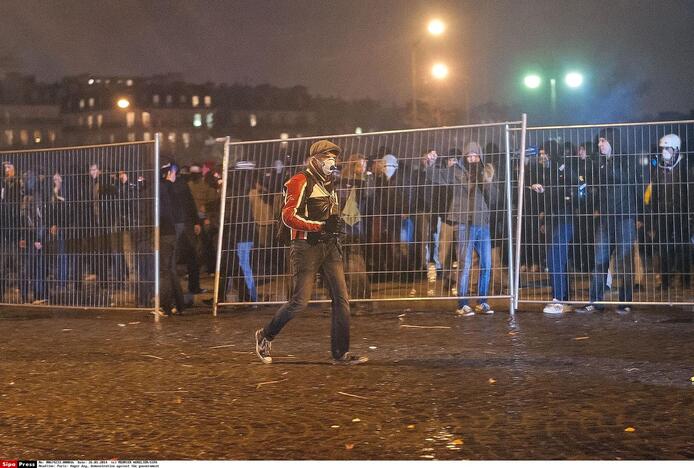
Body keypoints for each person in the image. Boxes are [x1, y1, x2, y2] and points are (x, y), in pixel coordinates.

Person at [254, 140, 368, 365]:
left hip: (329, 247)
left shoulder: (330, 183)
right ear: (314, 159)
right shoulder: (299, 181)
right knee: (299, 302)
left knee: (341, 299)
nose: (332, 161)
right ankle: (265, 335)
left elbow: (330, 215)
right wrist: (320, 226)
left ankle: (340, 354)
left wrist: (335, 227)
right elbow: (288, 217)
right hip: (305, 247)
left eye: (334, 157)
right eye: (328, 157)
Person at [575, 128, 644, 314]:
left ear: (612, 141)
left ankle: (625, 302)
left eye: (603, 141)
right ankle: (595, 301)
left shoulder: (626, 160)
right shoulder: (600, 163)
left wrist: (641, 216)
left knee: (624, 263)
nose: (599, 144)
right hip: (605, 218)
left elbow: (623, 178)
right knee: (599, 261)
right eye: (599, 141)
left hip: (624, 217)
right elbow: (595, 187)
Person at [528, 141, 581, 314]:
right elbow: (547, 200)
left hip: (564, 218)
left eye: (544, 153)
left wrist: (547, 191)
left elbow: (572, 189)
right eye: (540, 153)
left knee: (556, 259)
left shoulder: (563, 168)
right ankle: (563, 298)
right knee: (556, 259)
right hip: (552, 219)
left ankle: (558, 299)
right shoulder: (546, 171)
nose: (541, 156)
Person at [447, 142, 499, 316]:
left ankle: (482, 301)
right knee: (465, 263)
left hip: (482, 223)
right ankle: (462, 303)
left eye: (475, 156)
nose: (472, 159)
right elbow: (436, 177)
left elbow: (493, 200)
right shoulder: (457, 171)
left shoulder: (485, 173)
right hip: (463, 222)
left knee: (486, 264)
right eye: (468, 156)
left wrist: (488, 182)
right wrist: (431, 164)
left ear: (480, 157)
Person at [646, 133, 693, 290]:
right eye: (662, 148)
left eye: (668, 148)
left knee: (682, 247)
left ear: (676, 150)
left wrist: (690, 215)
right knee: (664, 247)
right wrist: (654, 214)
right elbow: (653, 194)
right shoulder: (659, 170)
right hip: (663, 214)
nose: (664, 151)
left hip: (682, 215)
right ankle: (665, 281)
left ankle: (685, 280)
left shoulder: (686, 169)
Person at [158, 162, 186, 316]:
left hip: (165, 232)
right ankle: (179, 304)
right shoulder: (171, 188)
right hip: (171, 231)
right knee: (170, 269)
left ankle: (165, 306)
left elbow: (164, 212)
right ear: (168, 173)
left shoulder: (163, 188)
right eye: (174, 173)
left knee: (165, 271)